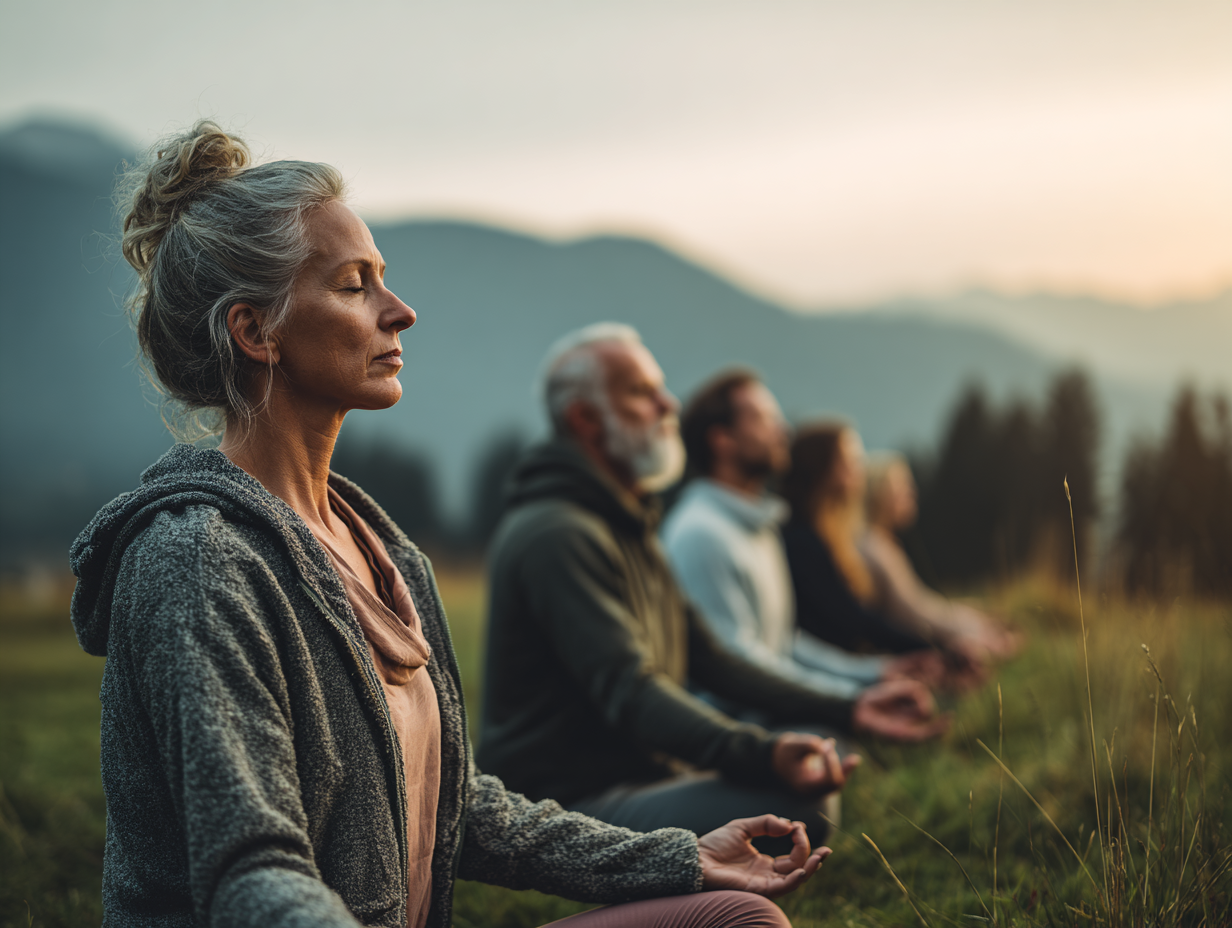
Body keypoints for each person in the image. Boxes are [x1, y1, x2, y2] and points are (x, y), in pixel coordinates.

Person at [69, 121, 831, 928]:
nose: (401, 312)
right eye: (355, 284)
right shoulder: (194, 563)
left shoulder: (385, 553)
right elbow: (248, 875)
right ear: (256, 331)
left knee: (737, 921)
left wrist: (680, 856)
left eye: (383, 279)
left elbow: (459, 805)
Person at [478, 325, 947, 853]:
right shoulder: (557, 534)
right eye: (641, 392)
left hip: (638, 773)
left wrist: (851, 707)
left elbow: (713, 657)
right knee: (802, 807)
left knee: (808, 777)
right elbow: (632, 691)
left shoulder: (628, 522)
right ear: (584, 420)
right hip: (559, 805)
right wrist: (762, 753)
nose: (667, 403)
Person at [662, 370, 946, 713]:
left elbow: (781, 646)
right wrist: (852, 701)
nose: (782, 431)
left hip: (774, 720)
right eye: (762, 419)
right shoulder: (700, 535)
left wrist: (875, 673)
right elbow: (738, 672)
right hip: (745, 737)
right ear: (722, 440)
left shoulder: (760, 529)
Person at [780, 424, 981, 690]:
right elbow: (855, 621)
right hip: (830, 677)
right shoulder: (804, 542)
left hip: (847, 668)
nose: (859, 468)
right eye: (850, 460)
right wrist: (936, 648)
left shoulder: (832, 536)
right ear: (823, 467)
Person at [861, 452, 1022, 663]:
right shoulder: (875, 548)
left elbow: (921, 602)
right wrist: (973, 632)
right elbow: (913, 614)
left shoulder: (883, 544)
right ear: (878, 494)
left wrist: (971, 615)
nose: (912, 492)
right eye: (901, 486)